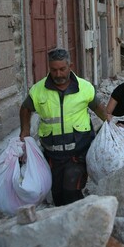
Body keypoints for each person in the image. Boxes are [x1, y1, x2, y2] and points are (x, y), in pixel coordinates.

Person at [19, 48, 107, 206]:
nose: (58, 74)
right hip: (52, 155)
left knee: (71, 192)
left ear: (70, 66)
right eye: (54, 70)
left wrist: (112, 124)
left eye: (62, 69)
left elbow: (99, 108)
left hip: (78, 152)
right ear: (49, 68)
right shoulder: (38, 90)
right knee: (57, 195)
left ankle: (79, 225)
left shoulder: (84, 87)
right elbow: (25, 108)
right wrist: (24, 131)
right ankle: (68, 223)